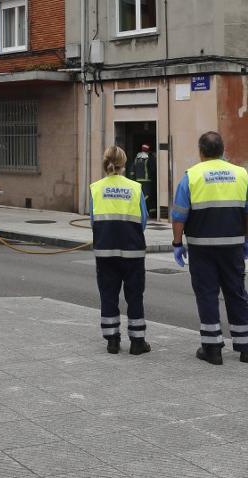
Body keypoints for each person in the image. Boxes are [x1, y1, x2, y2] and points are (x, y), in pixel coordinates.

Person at [170, 131, 248, 365]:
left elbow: (179, 215)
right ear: (223, 150)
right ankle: (247, 347)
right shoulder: (241, 175)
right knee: (236, 293)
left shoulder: (191, 176)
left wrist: (177, 243)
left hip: (202, 249)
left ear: (201, 152)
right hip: (232, 247)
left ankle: (212, 349)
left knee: (207, 295)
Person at [90, 145, 150, 355]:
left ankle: (112, 341)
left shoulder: (96, 188)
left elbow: (93, 219)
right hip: (132, 251)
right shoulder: (135, 188)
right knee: (134, 296)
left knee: (108, 295)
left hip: (105, 251)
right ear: (124, 164)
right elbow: (143, 220)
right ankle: (137, 342)